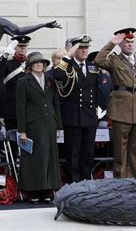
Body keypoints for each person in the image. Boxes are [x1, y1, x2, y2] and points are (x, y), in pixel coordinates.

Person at [94, 28, 136, 178]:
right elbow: (98, 60)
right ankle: (120, 181)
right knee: (120, 149)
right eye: (126, 42)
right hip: (121, 109)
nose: (130, 45)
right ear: (121, 44)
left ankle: (131, 179)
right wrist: (111, 43)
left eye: (132, 42)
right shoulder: (114, 60)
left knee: (135, 149)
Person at [16, 51, 62, 203]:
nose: (39, 64)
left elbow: (56, 103)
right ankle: (34, 191)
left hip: (50, 123)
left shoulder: (51, 80)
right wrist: (22, 130)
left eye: (41, 62)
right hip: (33, 125)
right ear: (30, 66)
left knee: (49, 157)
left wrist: (59, 126)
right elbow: (20, 107)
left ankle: (48, 190)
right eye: (36, 62)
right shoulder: (24, 81)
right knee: (34, 159)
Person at [52, 35, 100, 183]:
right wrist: (67, 57)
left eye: (86, 47)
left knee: (88, 153)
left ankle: (86, 182)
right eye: (81, 47)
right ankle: (74, 184)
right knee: (73, 154)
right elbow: (57, 75)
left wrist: (98, 109)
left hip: (89, 116)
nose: (85, 50)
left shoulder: (92, 66)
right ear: (74, 49)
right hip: (73, 116)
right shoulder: (67, 65)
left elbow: (97, 89)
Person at [0, 35, 30, 131]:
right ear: (15, 47)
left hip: (27, 108)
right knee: (13, 138)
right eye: (20, 46)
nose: (23, 48)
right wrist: (6, 53)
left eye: (25, 46)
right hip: (11, 109)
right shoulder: (8, 63)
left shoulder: (31, 63)